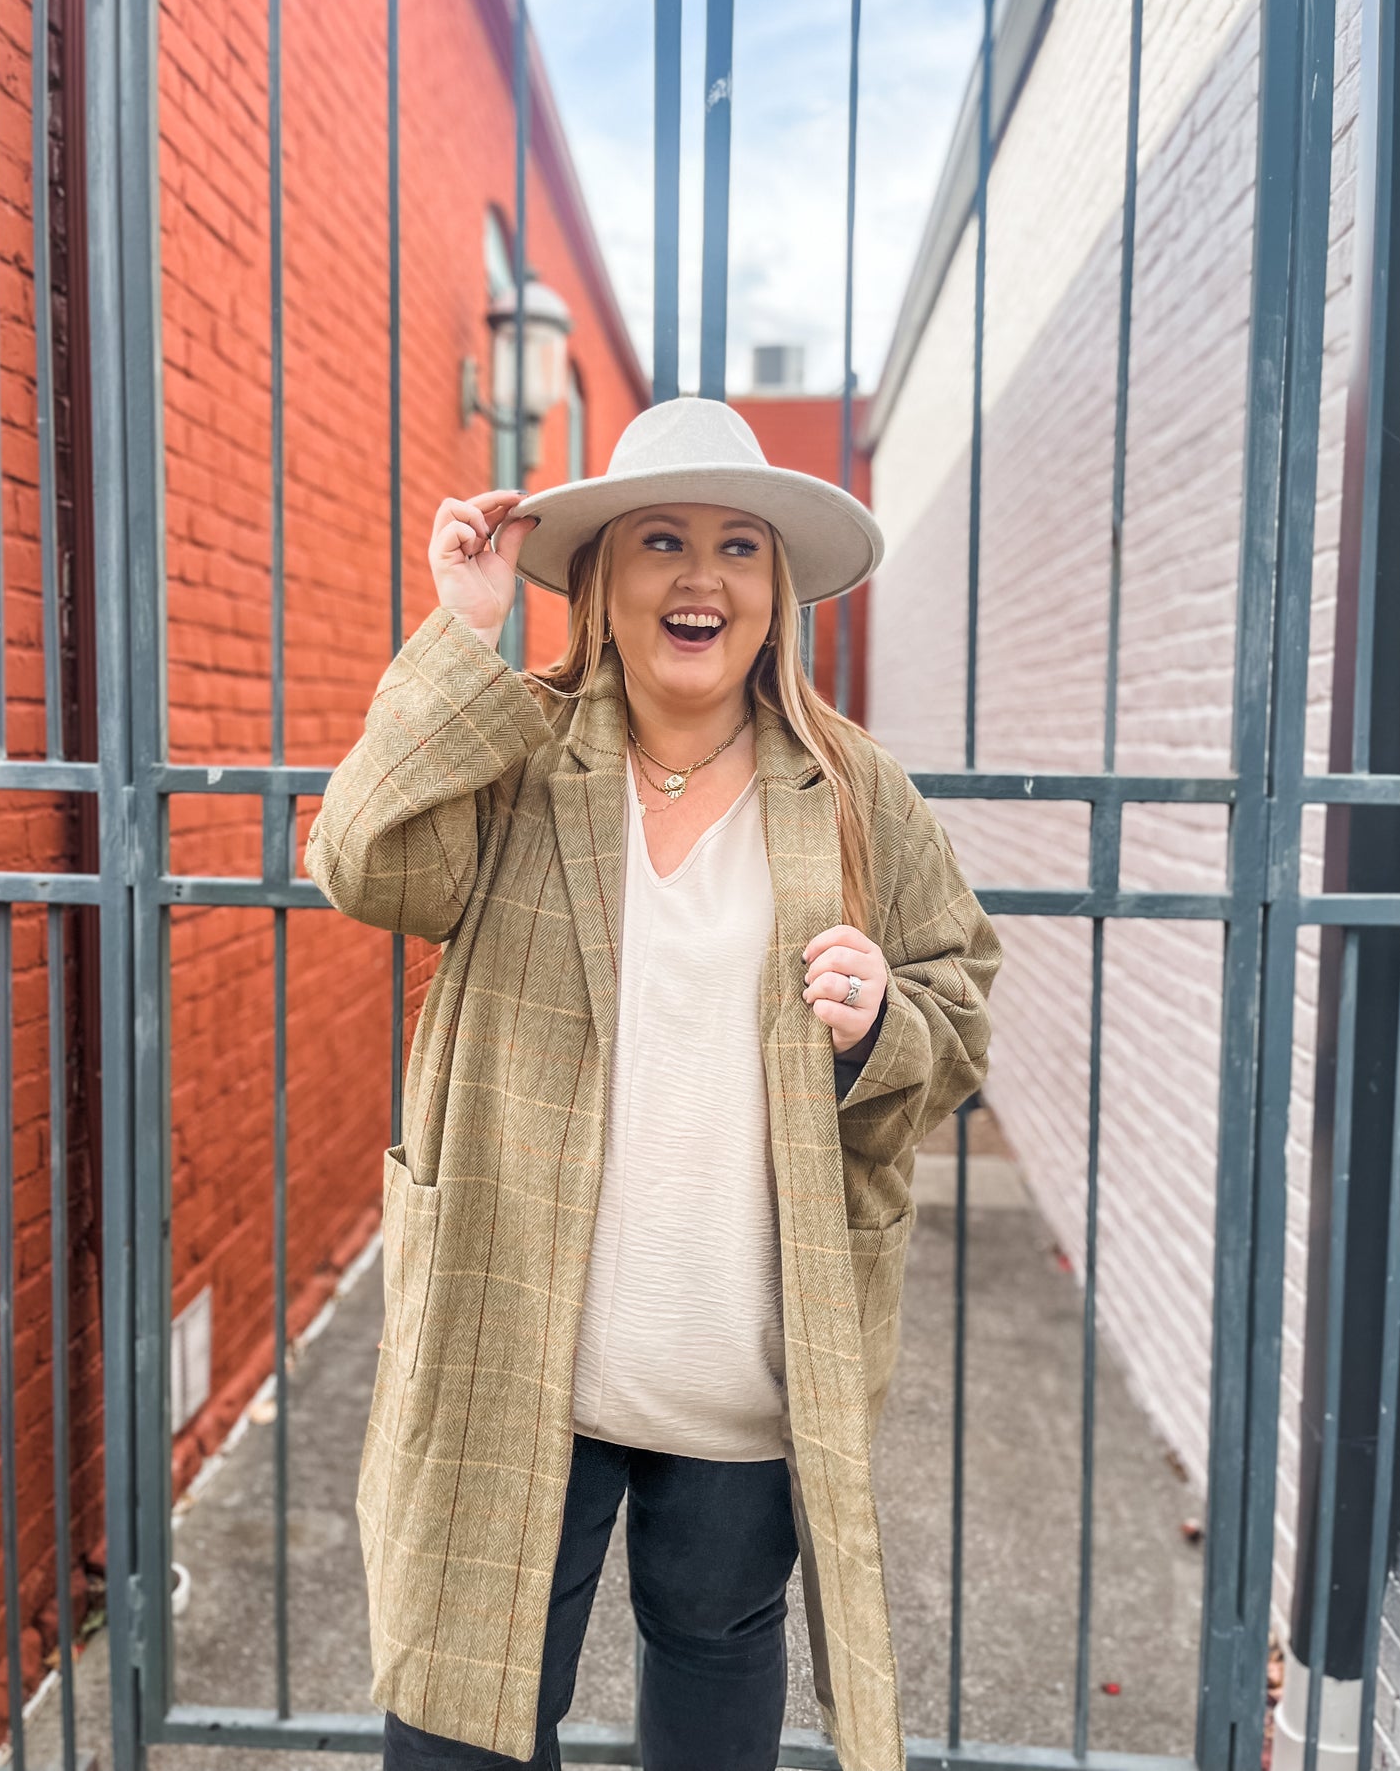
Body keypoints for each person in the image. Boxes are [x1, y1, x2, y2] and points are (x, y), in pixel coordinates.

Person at [304, 396, 1002, 1771]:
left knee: (715, 1683)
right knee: (460, 1713)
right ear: (602, 582)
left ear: (774, 589)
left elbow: (958, 1003)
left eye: (739, 546)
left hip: (742, 1371)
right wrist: (462, 632)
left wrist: (881, 1024)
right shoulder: (514, 751)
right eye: (662, 541)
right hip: (520, 1348)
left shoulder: (854, 788)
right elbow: (361, 864)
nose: (702, 576)